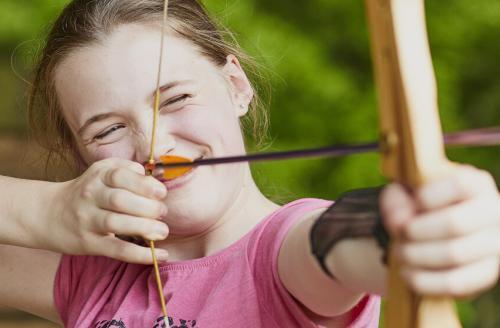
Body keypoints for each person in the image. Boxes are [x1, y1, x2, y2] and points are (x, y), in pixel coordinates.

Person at [1, 0, 499, 327]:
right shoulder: (96, 274)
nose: (153, 144)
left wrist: (404, 226)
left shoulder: (282, 255)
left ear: (236, 86)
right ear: (81, 157)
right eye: (107, 130)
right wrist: (43, 208)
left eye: (174, 99)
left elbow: (336, 240)